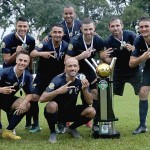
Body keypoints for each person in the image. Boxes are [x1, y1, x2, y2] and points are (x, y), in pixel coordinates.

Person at [100, 17, 142, 134]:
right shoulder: (108, 41)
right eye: (112, 26)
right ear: (109, 28)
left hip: (134, 70)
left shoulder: (131, 35)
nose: (115, 28)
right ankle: (107, 120)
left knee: (142, 94)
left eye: (117, 25)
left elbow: (139, 51)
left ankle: (142, 124)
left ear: (122, 25)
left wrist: (133, 49)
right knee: (109, 95)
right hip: (118, 72)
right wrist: (104, 57)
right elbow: (107, 59)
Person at [39, 57, 96, 143]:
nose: (72, 68)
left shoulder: (81, 80)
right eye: (69, 66)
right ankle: (52, 132)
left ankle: (72, 128)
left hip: (70, 111)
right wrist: (58, 91)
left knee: (91, 111)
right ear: (65, 68)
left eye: (74, 66)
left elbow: (90, 102)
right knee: (52, 105)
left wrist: (84, 90)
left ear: (78, 68)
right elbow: (42, 99)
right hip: (56, 112)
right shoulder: (57, 80)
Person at [65, 18, 105, 133]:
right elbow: (67, 60)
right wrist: (81, 56)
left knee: (95, 94)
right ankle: (65, 120)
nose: (88, 32)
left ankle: (95, 123)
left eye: (91, 29)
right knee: (71, 95)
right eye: (86, 29)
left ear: (94, 28)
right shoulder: (75, 40)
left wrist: (100, 71)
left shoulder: (99, 40)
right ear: (81, 29)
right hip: (75, 71)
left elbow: (102, 56)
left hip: (90, 70)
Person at [29, 23, 68, 133]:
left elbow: (70, 59)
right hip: (42, 76)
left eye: (59, 32)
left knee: (59, 101)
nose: (57, 34)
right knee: (34, 98)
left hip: (57, 78)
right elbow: (32, 53)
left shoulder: (66, 45)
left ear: (63, 34)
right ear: (51, 33)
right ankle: (35, 124)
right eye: (55, 32)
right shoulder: (45, 43)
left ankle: (61, 123)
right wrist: (42, 54)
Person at [1, 16, 35, 132]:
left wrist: (29, 73)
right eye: (20, 26)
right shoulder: (7, 39)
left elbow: (29, 57)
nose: (22, 28)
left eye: (25, 26)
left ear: (28, 27)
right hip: (8, 72)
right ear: (16, 26)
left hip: (21, 74)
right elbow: (6, 60)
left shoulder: (31, 40)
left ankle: (11, 128)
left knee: (26, 102)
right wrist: (17, 54)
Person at [0, 50, 33, 140]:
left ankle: (8, 131)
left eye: (25, 61)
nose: (22, 63)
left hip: (8, 100)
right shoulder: (4, 72)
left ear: (28, 62)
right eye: (20, 60)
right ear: (16, 60)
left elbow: (30, 94)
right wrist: (1, 89)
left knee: (27, 104)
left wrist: (23, 103)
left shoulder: (27, 76)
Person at [129, 16, 150, 134]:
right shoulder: (138, 40)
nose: (144, 29)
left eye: (146, 26)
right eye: (141, 27)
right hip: (149, 67)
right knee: (142, 92)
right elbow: (131, 63)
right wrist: (142, 57)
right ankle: (142, 125)